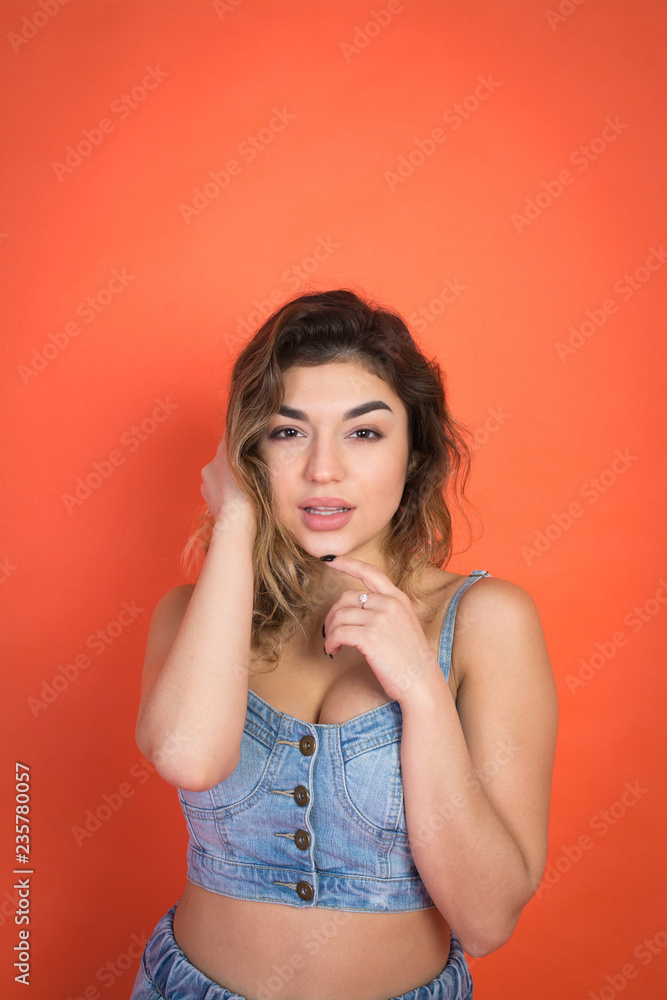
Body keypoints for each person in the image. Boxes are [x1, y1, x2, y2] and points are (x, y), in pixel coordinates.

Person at [129, 288, 558, 1000]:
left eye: (363, 433)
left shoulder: (487, 621)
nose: (323, 469)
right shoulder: (191, 617)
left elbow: (485, 921)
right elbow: (189, 757)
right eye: (287, 432)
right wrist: (235, 520)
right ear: (246, 453)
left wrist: (420, 687)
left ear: (414, 453)